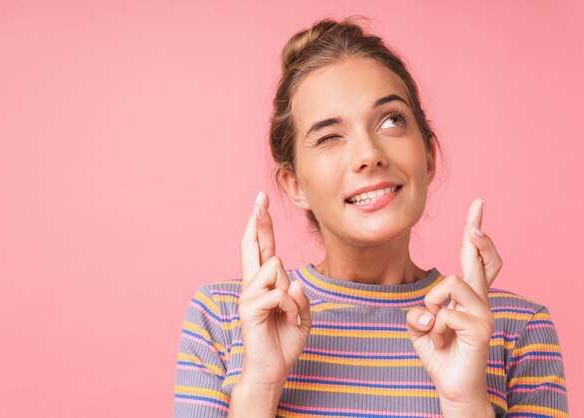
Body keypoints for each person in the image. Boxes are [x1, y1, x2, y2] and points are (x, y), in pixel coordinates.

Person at [173, 16, 567, 417]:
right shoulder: (223, 319)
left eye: (391, 120)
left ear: (428, 156)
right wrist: (260, 383)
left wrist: (464, 400)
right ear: (295, 186)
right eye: (329, 137)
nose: (368, 155)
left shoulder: (516, 328)